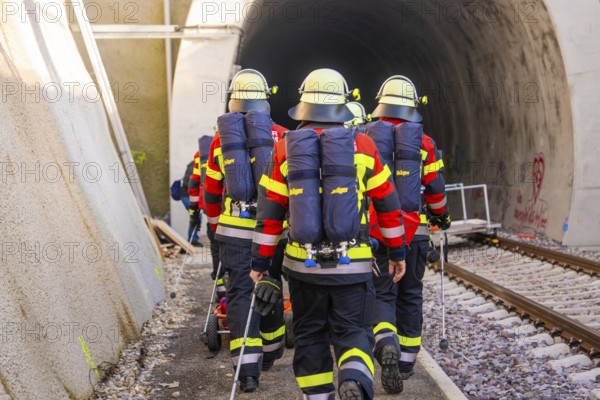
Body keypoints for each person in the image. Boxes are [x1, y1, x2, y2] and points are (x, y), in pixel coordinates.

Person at [251, 68, 407, 400]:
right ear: (343, 104)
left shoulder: (284, 150)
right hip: (354, 265)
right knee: (354, 332)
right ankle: (352, 377)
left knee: (310, 335)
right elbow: (388, 205)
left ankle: (319, 395)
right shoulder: (363, 145)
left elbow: (270, 215)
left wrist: (262, 266)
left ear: (304, 104)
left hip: (303, 267)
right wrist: (397, 253)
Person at [204, 69, 287, 393]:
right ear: (266, 98)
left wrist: (214, 225)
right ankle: (270, 352)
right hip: (273, 231)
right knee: (271, 286)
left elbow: (211, 189)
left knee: (239, 293)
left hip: (235, 231)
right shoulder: (281, 135)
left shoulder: (219, 141)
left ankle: (247, 370)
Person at [370, 75, 450, 380]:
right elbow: (436, 190)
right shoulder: (425, 143)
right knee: (411, 294)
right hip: (415, 235)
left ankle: (386, 341)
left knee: (383, 294)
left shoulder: (364, 138)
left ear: (381, 103)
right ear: (413, 107)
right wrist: (441, 218)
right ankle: (405, 363)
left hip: (377, 235)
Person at [189, 136, 224, 296]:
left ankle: (221, 284)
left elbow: (195, 182)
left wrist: (194, 212)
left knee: (216, 247)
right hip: (236, 210)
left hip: (211, 207)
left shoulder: (201, 155)